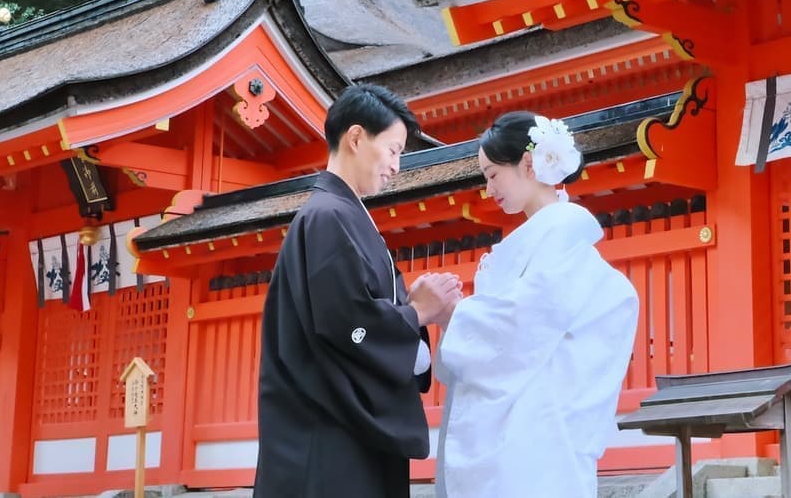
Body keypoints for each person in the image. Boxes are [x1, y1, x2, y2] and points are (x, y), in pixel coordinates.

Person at [254, 84, 461, 498]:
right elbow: (345, 323)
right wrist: (415, 312)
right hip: (326, 434)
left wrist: (407, 307)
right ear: (355, 138)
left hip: (337, 429)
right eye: (393, 150)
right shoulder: (328, 216)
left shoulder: (338, 214)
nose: (396, 166)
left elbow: (353, 314)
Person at [434, 112, 640, 498]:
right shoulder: (547, 239)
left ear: (528, 163)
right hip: (535, 429)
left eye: (493, 174)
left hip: (537, 431)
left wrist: (453, 315)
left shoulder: (560, 239)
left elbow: (518, 325)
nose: (487, 188)